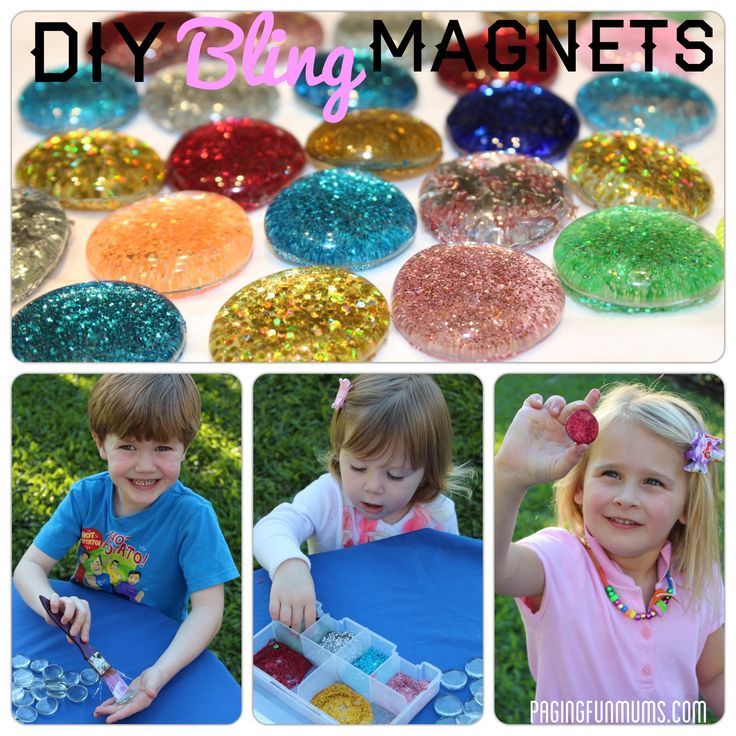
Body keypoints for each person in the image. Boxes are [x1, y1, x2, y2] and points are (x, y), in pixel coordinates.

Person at [13, 374, 239, 724]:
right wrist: (52, 604)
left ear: (186, 447)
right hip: (80, 639)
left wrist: (158, 674)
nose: (145, 466)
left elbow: (208, 610)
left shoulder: (193, 517)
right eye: (128, 447)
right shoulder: (85, 496)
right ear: (101, 443)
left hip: (152, 648)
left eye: (163, 448)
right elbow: (28, 567)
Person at [495, 383, 724, 724]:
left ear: (687, 507)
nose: (627, 497)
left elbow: (714, 674)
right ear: (580, 488)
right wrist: (509, 475)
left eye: (653, 482)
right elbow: (496, 570)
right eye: (611, 474)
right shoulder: (560, 560)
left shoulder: (699, 577)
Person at [254, 374, 473, 632]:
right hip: (333, 625)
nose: (373, 487)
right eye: (358, 467)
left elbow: (449, 577)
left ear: (427, 470)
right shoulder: (330, 495)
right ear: (339, 453)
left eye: (396, 475)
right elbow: (271, 527)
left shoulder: (438, 514)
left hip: (406, 626)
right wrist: (289, 565)